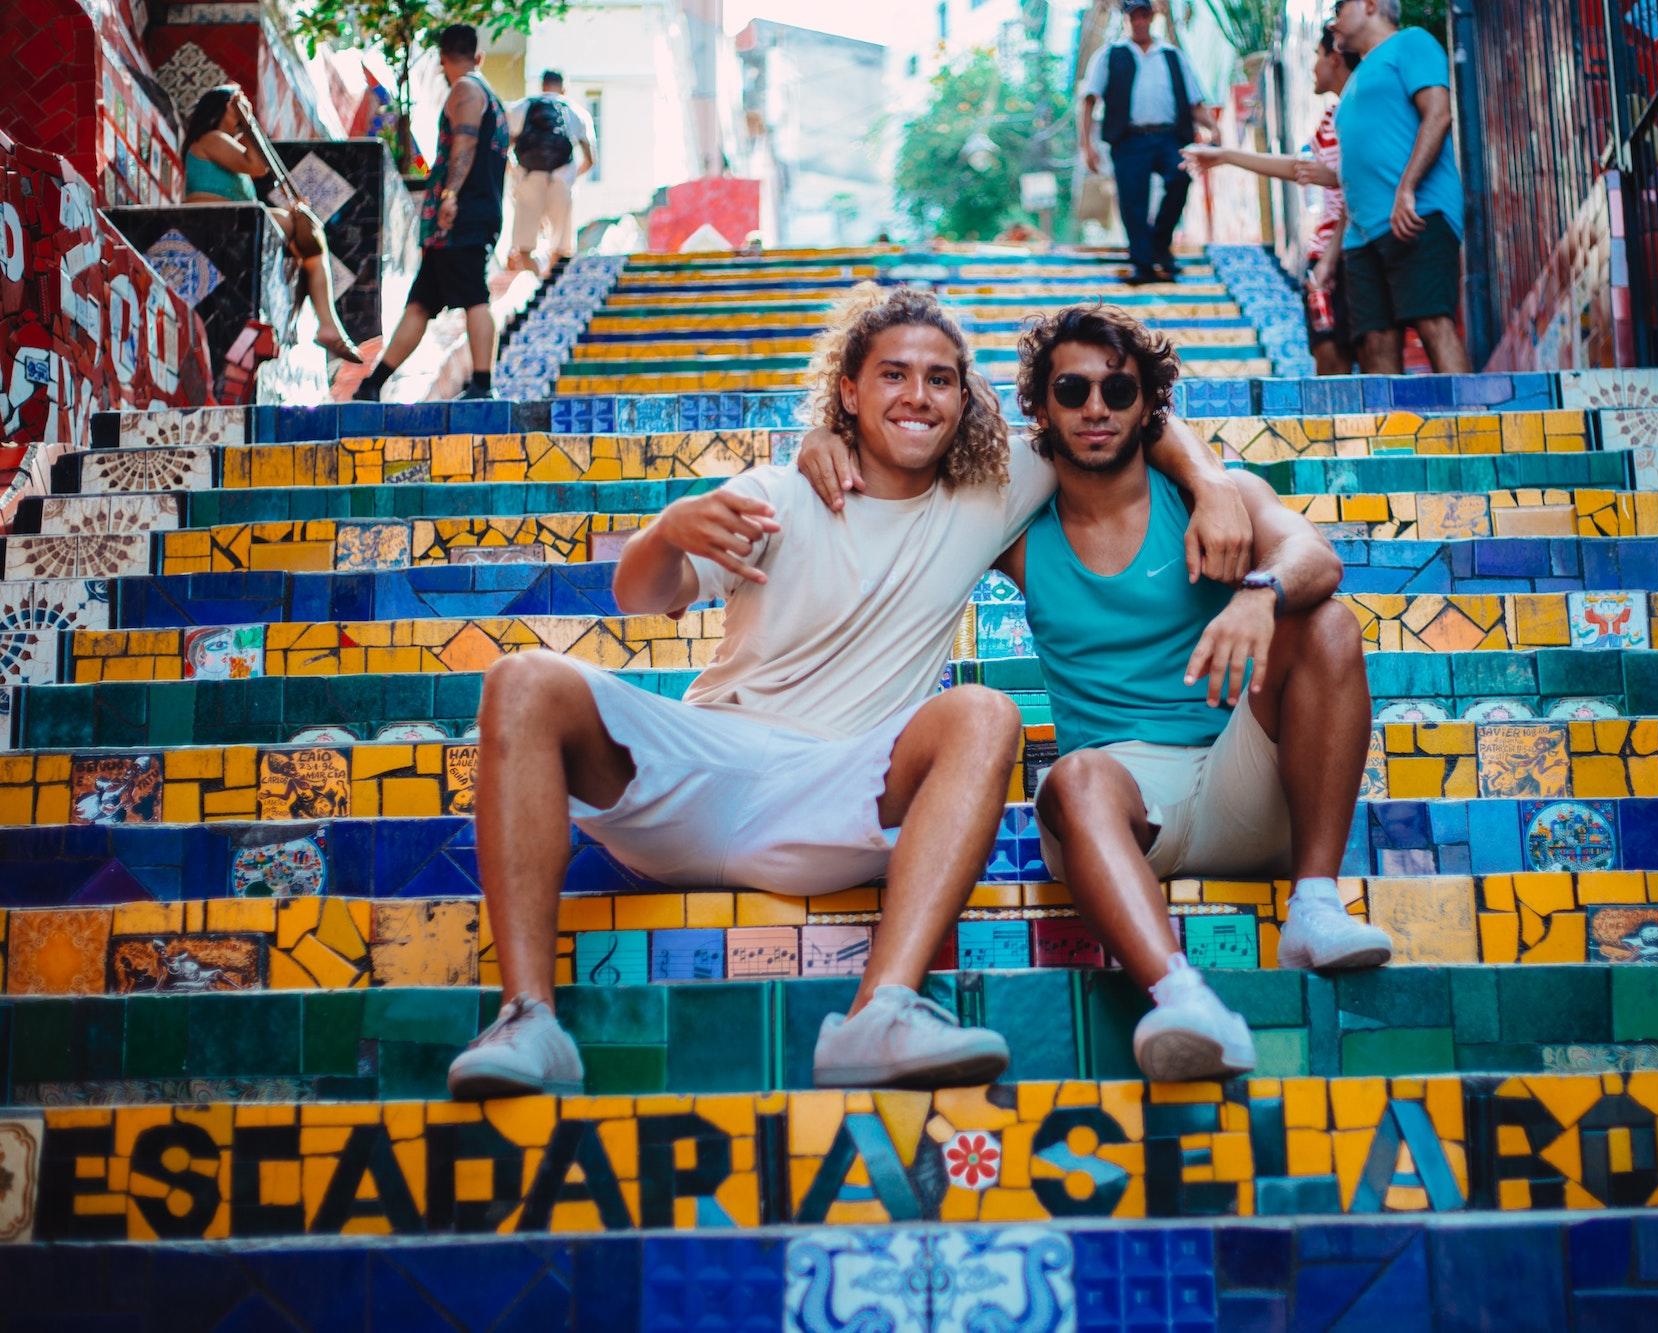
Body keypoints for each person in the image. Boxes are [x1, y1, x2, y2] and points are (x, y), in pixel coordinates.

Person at [449, 284, 1249, 1099]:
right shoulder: (779, 493)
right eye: (893, 375)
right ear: (848, 391)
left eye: (941, 379)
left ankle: (883, 1010)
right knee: (523, 678)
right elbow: (639, 594)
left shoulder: (991, 490)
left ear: (964, 398)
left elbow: (1125, 410)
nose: (917, 396)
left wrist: (1213, 484)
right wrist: (666, 527)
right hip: (706, 762)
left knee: (983, 710)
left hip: (841, 794)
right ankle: (528, 1019)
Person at [997, 305, 1390, 1082]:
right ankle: (1184, 999)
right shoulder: (1016, 529)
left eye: (1119, 389)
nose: (1096, 409)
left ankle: (1314, 902)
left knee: (1330, 625)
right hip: (1118, 807)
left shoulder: (1217, 497)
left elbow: (1315, 554)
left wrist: (1258, 593)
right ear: (1039, 407)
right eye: (1071, 390)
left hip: (1240, 774)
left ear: (1150, 405)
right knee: (1070, 776)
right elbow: (915, 463)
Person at [1182, 20, 1356, 375]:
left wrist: (1329, 258)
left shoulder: (1353, 115)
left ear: (1335, 59)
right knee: (1326, 353)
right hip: (1328, 252)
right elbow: (1299, 168)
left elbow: (1356, 188)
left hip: (1343, 252)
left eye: (1317, 56)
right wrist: (1226, 156)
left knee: (1341, 354)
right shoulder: (1332, 118)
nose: (1312, 66)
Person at [353, 24, 508, 402]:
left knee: (474, 296)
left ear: (442, 59)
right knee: (420, 303)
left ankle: (483, 386)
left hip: (460, 218)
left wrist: (451, 195)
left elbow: (464, 145)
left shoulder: (467, 89)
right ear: (477, 55)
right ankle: (373, 385)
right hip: (463, 220)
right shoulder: (490, 96)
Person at [1327, 0, 1471, 374]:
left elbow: (1438, 114)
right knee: (1375, 343)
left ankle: (1474, 429)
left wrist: (1406, 188)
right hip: (1361, 237)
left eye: (1338, 9)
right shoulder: (1357, 77)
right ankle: (1391, 433)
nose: (1332, 23)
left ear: (1370, 5)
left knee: (1433, 325)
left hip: (1416, 212)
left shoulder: (1411, 43)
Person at [180, 86, 362, 363]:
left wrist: (247, 122)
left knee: (308, 238)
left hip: (234, 221)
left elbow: (257, 164)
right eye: (237, 106)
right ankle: (328, 325)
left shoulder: (222, 142)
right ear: (223, 108)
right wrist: (248, 121)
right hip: (217, 221)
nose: (244, 111)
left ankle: (325, 324)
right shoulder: (212, 138)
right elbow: (258, 165)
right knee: (305, 226)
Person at [1078, 1, 1220, 286]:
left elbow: (1194, 101)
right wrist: (1087, 146)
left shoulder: (1172, 56)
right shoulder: (1109, 55)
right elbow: (1089, 100)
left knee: (1180, 178)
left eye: (1144, 15)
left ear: (1152, 17)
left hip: (1169, 136)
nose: (1139, 21)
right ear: (1125, 19)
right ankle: (1143, 264)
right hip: (1128, 139)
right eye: (1133, 16)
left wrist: (1214, 129)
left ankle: (1159, 245)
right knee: (1133, 202)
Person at [506, 69, 597, 273]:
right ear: (564, 88)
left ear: (542, 85)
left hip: (528, 180)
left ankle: (536, 282)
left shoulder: (522, 107)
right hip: (561, 180)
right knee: (562, 249)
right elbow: (591, 159)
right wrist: (571, 176)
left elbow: (503, 150)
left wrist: (516, 174)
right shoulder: (576, 111)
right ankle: (553, 290)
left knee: (524, 249)